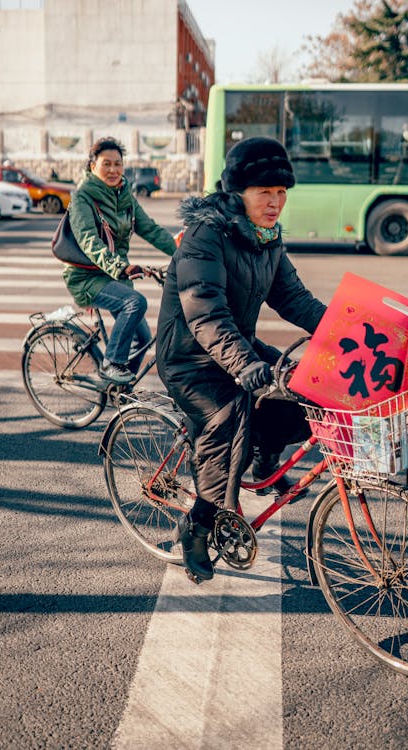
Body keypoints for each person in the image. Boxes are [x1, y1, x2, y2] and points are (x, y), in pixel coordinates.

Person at [156, 136, 327, 582]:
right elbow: (205, 310)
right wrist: (245, 365)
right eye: (264, 193)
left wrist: (346, 331)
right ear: (238, 192)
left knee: (305, 387)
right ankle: (197, 526)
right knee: (229, 420)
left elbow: (294, 298)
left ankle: (266, 460)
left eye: (281, 193)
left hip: (236, 348)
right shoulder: (205, 236)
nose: (275, 203)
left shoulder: (267, 238)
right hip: (189, 359)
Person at [65, 137, 176, 384]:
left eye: (118, 163)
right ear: (93, 166)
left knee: (141, 339)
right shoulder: (83, 198)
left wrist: (183, 253)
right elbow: (88, 241)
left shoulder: (124, 196)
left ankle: (119, 390)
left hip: (115, 277)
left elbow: (150, 229)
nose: (113, 170)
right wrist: (120, 267)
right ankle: (111, 364)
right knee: (136, 303)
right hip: (86, 277)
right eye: (106, 164)